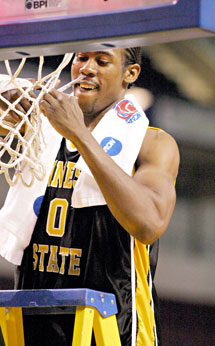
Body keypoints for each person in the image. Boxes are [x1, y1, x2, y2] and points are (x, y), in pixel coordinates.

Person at [1, 47, 179, 346]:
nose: (87, 68)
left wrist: (80, 136)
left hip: (112, 323)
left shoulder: (152, 142)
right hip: (34, 312)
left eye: (102, 61)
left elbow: (149, 224)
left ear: (130, 73)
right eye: (82, 58)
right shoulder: (41, 134)